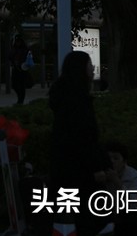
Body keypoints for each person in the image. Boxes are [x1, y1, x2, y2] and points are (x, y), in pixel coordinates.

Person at [49, 51, 109, 236]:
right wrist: (96, 167)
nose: (92, 68)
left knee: (69, 214)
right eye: (89, 64)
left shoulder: (62, 95)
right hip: (79, 168)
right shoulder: (79, 100)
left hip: (63, 165)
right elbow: (84, 137)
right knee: (88, 215)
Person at [104, 141, 137, 235]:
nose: (112, 161)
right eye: (108, 158)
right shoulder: (101, 176)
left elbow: (132, 203)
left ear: (124, 161)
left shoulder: (133, 176)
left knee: (130, 215)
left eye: (116, 158)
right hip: (111, 219)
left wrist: (116, 182)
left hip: (136, 221)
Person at [8, 34, 32, 105]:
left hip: (22, 69)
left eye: (19, 42)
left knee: (21, 86)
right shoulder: (14, 49)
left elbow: (27, 58)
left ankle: (20, 100)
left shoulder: (25, 49)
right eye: (17, 42)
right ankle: (20, 99)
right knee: (15, 85)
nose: (18, 43)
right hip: (16, 69)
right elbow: (10, 56)